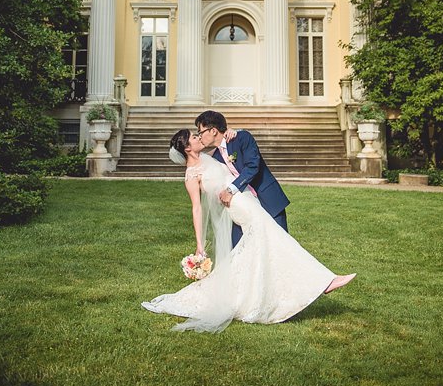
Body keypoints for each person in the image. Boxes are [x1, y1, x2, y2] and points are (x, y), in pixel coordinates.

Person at [141, 129, 356, 333]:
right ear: (188, 148)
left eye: (199, 134)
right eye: (194, 137)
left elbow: (223, 143)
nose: (199, 138)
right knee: (277, 240)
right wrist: (199, 243)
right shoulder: (191, 175)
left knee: (261, 248)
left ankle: (255, 296)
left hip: (248, 201)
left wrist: (232, 131)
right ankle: (324, 281)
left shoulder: (210, 156)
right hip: (240, 207)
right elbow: (196, 209)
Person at [195, 109, 289, 246]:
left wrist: (230, 190)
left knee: (281, 245)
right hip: (244, 207)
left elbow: (252, 167)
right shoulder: (215, 157)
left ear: (213, 130)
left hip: (268, 199)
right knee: (239, 249)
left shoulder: (241, 138)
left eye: (200, 132)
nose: (199, 136)